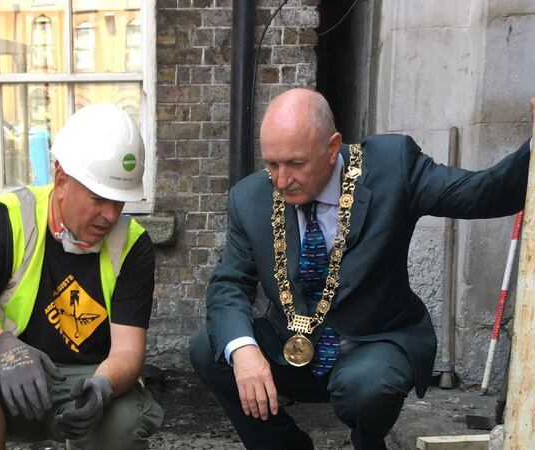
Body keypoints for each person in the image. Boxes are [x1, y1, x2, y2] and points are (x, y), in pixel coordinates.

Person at [189, 88, 532, 450]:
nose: (281, 179)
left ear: (332, 147)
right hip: (294, 346)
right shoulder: (250, 197)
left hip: (374, 343)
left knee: (365, 388)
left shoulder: (391, 165)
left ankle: (368, 443)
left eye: (295, 163)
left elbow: (488, 192)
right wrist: (243, 351)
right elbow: (228, 285)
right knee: (208, 347)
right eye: (272, 164)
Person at [0, 104, 164, 450]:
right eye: (98, 199)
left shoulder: (133, 244)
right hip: (8, 379)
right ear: (61, 179)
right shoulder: (10, 218)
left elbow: (128, 351)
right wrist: (4, 349)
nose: (110, 215)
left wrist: (104, 386)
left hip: (83, 380)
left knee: (125, 423)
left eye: (119, 202)